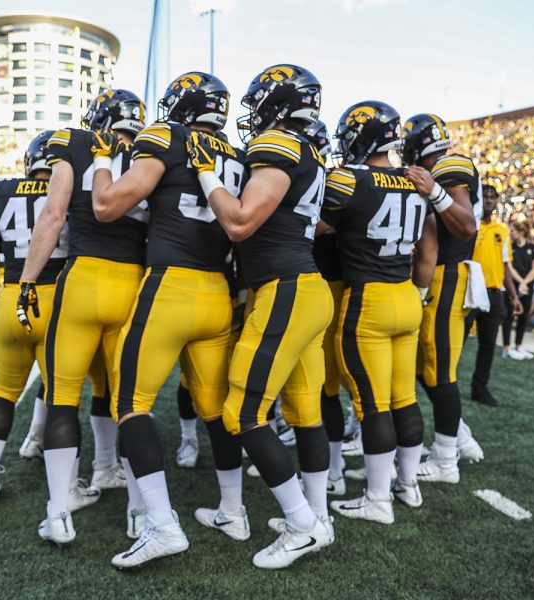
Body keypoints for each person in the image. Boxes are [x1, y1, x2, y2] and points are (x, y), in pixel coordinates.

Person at [91, 72, 245, 568]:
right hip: (218, 294)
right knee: (217, 409)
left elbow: (109, 204)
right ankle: (233, 510)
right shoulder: (237, 154)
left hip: (170, 288)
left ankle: (160, 524)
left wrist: (99, 162)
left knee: (129, 403)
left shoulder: (165, 135)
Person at [186, 63, 333, 569]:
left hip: (287, 291)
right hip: (308, 289)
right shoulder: (309, 149)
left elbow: (241, 222)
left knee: (242, 414)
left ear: (275, 103)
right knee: (304, 411)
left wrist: (206, 170)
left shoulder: (278, 145)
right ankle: (318, 515)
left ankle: (302, 526)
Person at [15, 90, 148, 547]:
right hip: (133, 286)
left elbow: (53, 215)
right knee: (128, 402)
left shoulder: (73, 140)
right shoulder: (154, 148)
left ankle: (58, 513)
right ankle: (138, 510)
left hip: (84, 278)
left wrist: (28, 280)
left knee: (63, 396)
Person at [320, 100, 437, 524]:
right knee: (404, 398)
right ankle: (407, 485)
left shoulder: (349, 179)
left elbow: (311, 224)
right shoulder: (417, 182)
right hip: (407, 295)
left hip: (367, 299)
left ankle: (377, 499)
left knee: (372, 405)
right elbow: (427, 247)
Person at [0, 131, 62, 503]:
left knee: (3, 392)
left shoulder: (2, 195)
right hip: (58, 303)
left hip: (12, 300)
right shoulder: (69, 195)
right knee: (60, 394)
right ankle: (60, 482)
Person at [401, 113, 482, 484]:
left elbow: (466, 224)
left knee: (440, 371)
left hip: (447, 275)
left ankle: (446, 460)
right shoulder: (439, 169)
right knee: (424, 368)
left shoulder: (450, 165)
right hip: (439, 275)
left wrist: (434, 191)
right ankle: (459, 434)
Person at [304, 119, 347, 495]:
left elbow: (320, 227)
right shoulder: (332, 178)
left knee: (325, 385)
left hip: (325, 286)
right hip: (325, 287)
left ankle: (333, 468)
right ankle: (332, 466)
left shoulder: (335, 183)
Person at [465, 185, 523, 406]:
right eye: (485, 197)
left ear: (497, 201)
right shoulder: (469, 224)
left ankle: (480, 388)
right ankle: (442, 385)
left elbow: (505, 265)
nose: (488, 201)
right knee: (457, 342)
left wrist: (514, 296)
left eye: (492, 197)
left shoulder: (503, 230)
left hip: (494, 292)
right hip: (469, 291)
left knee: (488, 344)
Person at [502, 220, 534, 360]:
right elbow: (509, 267)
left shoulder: (533, 247)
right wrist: (519, 282)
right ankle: (507, 347)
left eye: (513, 231)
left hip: (526, 286)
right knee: (509, 315)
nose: (511, 234)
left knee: (524, 317)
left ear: (521, 232)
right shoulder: (510, 247)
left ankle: (518, 345)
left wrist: (524, 283)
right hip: (512, 284)